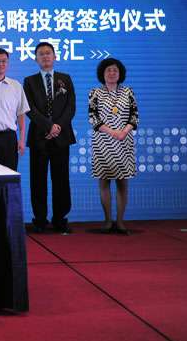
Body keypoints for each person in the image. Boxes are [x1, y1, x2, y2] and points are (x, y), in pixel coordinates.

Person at [23, 42, 76, 234]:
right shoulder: (29, 81)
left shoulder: (65, 79)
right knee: (38, 180)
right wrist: (48, 126)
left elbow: (70, 107)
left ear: (54, 56)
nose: (45, 56)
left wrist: (57, 126)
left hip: (61, 137)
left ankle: (60, 219)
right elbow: (29, 108)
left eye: (48, 53)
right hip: (39, 136)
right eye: (41, 54)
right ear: (36, 59)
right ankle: (40, 220)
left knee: (61, 179)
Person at [88, 58, 139, 235]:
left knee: (123, 183)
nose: (112, 73)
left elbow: (134, 116)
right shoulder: (95, 92)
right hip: (103, 142)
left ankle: (120, 221)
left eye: (115, 70)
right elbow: (93, 118)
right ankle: (108, 221)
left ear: (120, 73)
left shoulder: (128, 92)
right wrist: (112, 132)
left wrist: (123, 132)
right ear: (102, 74)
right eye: (108, 70)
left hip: (124, 141)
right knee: (104, 182)